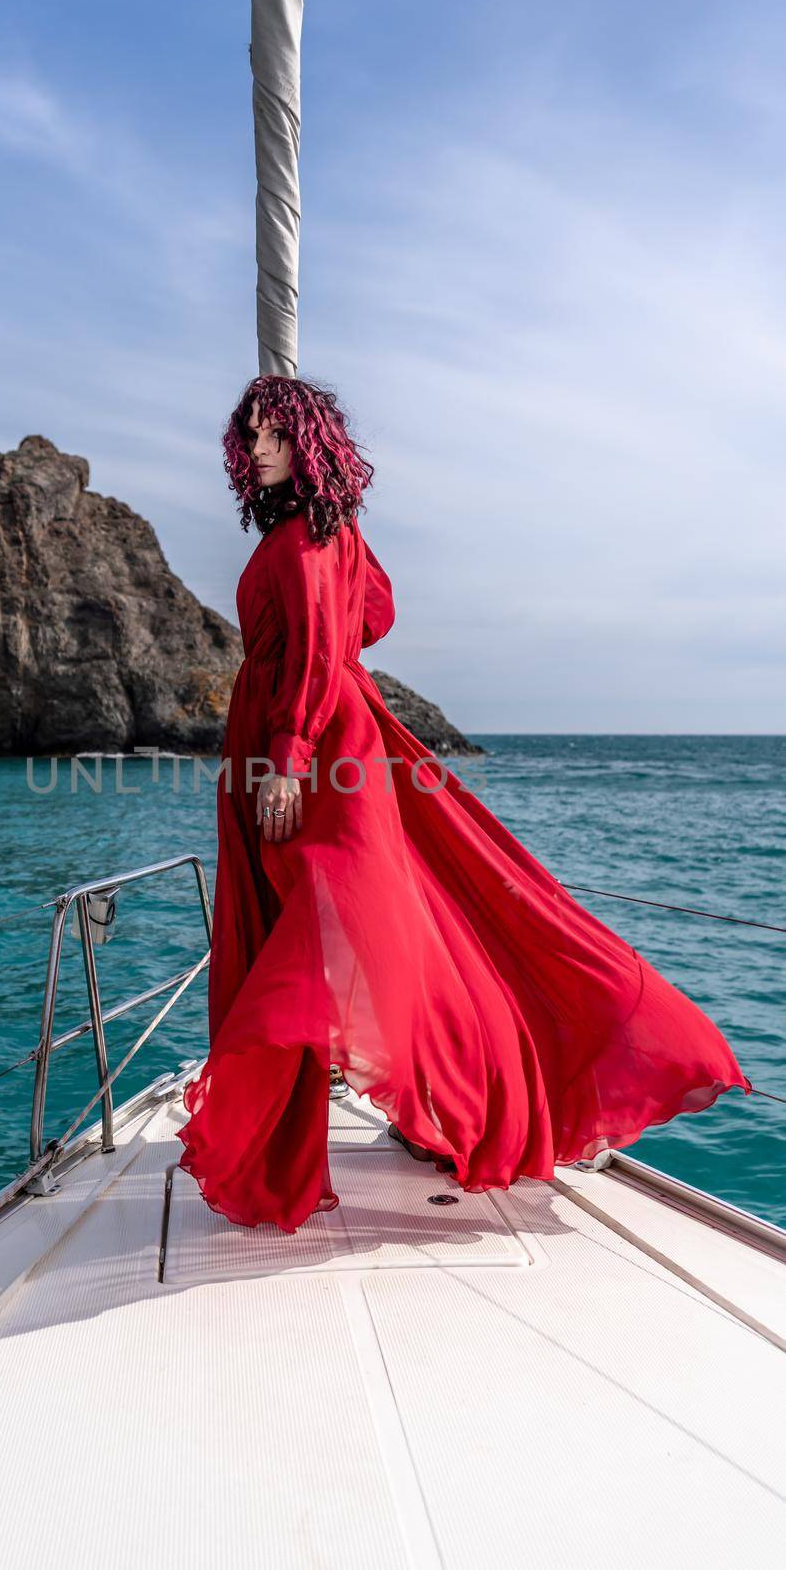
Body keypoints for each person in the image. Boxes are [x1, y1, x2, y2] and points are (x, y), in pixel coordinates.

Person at [176, 373, 752, 1234]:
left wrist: (288, 757)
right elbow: (373, 616)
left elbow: (321, 650)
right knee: (405, 917)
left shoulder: (302, 538)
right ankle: (443, 1104)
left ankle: (432, 1109)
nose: (258, 449)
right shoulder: (335, 533)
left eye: (275, 436)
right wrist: (313, 669)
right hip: (335, 733)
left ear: (312, 444)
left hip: (303, 743)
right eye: (251, 435)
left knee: (333, 930)